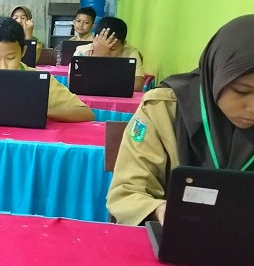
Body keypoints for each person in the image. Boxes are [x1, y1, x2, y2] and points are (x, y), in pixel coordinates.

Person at [107, 15, 254, 226]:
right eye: (241, 91)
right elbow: (127, 191)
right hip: (178, 232)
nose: (252, 108)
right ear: (216, 74)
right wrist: (159, 210)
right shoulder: (163, 108)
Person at [72, 16, 145, 92]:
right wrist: (97, 56)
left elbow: (137, 86)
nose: (106, 53)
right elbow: (74, 83)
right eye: (101, 48)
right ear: (94, 40)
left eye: (112, 49)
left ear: (123, 44)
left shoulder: (130, 52)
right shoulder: (82, 51)